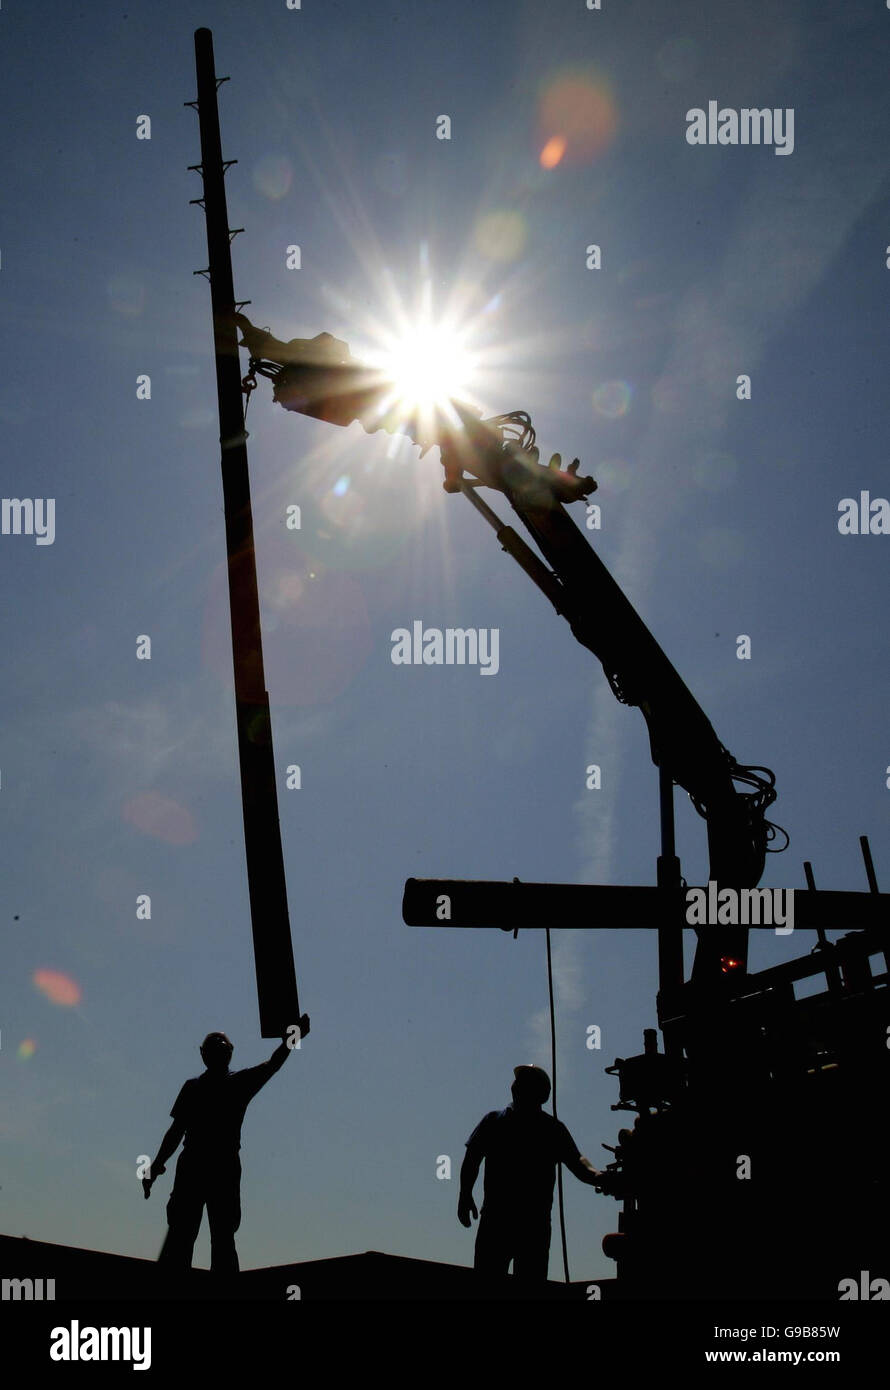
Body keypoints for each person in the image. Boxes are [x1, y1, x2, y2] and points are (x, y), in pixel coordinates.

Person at [143, 1019, 309, 1277]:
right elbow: (175, 1131)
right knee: (192, 1237)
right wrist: (157, 1164)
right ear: (205, 1053)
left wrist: (156, 1165)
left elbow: (272, 1064)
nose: (218, 1051)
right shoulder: (199, 1087)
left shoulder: (231, 1084)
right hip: (203, 1166)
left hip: (214, 1166)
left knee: (216, 1237)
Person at [458, 1063, 607, 1282]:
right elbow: (472, 1159)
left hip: (529, 1228)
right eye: (518, 1081)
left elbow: (577, 1161)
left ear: (538, 1093)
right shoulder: (495, 1121)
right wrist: (464, 1195)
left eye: (523, 1081)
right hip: (501, 1222)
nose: (515, 1085)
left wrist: (596, 1175)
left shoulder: (552, 1129)